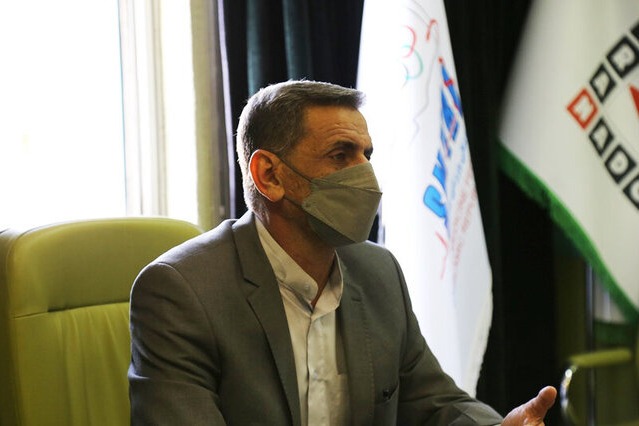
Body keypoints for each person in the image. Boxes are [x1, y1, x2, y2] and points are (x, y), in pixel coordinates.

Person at [128, 80, 556, 425]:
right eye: (340, 155)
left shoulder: (378, 270)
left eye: (366, 155)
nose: (366, 175)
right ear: (269, 175)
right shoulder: (181, 292)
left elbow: (434, 402)